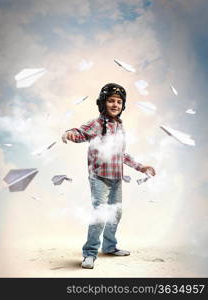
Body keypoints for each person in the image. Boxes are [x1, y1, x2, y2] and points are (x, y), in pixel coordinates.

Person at [62, 83, 156, 269]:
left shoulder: (120, 127)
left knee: (116, 213)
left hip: (116, 178)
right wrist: (70, 133)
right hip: (99, 177)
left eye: (119, 102)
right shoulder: (96, 124)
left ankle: (110, 246)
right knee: (100, 214)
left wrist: (140, 167)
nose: (115, 104)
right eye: (111, 101)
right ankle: (90, 253)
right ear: (103, 103)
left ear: (123, 105)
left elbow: (122, 154)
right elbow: (80, 133)